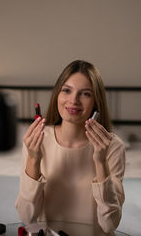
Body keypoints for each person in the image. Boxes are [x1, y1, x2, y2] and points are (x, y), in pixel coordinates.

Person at [15, 60, 126, 234]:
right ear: (57, 95)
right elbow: (26, 217)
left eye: (85, 94)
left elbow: (109, 225)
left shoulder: (113, 147)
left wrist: (100, 161)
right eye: (66, 90)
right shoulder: (37, 141)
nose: (73, 100)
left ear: (96, 102)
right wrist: (33, 159)